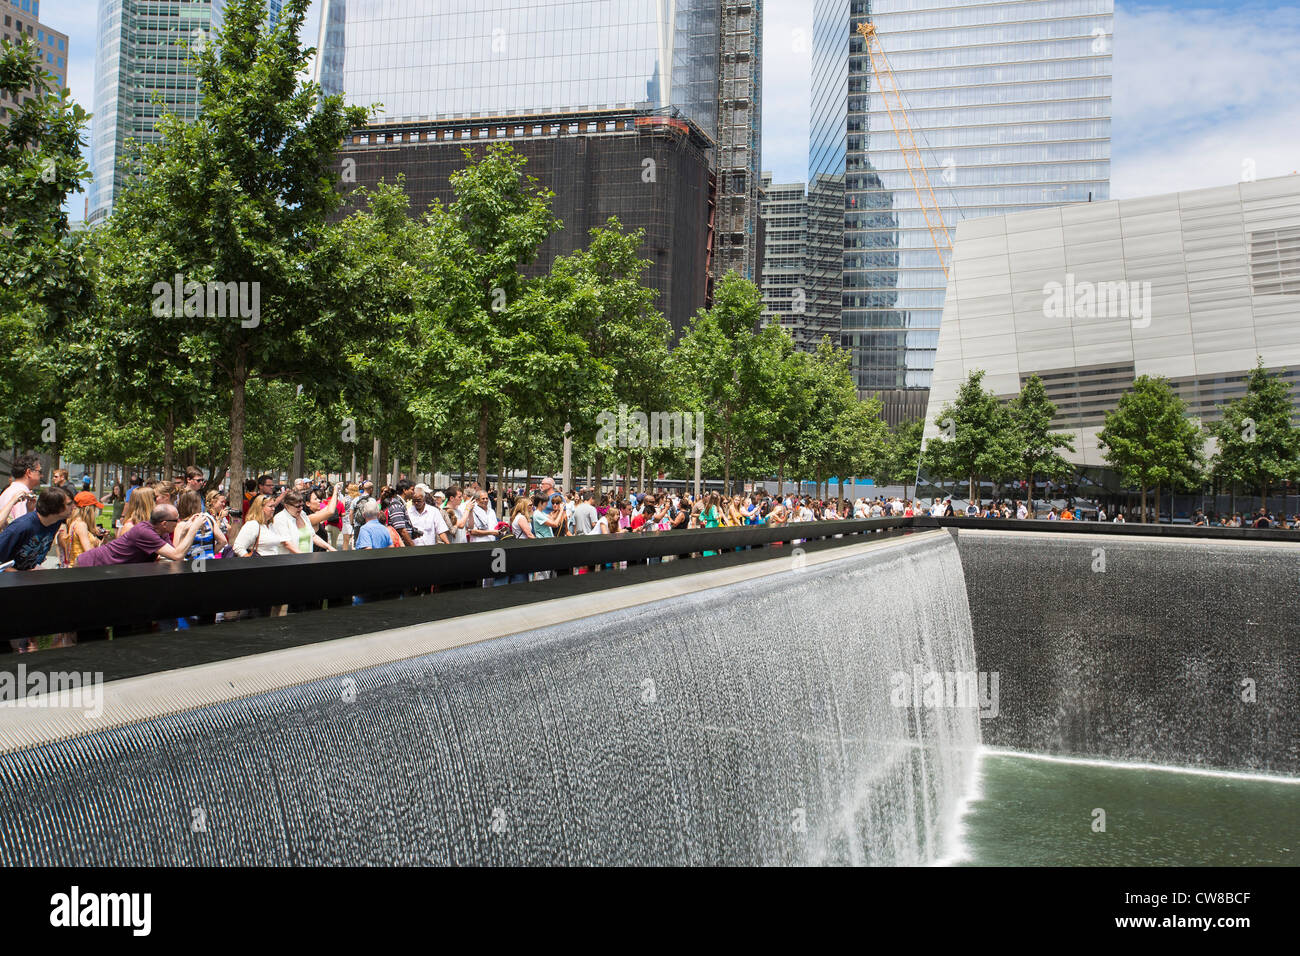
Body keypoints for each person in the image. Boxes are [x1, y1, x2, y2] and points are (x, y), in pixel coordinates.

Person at [77, 504, 200, 567]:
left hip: (108, 570)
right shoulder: (144, 532)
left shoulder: (162, 532)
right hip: (90, 565)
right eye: (176, 520)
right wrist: (194, 529)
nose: (179, 522)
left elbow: (174, 552)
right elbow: (178, 555)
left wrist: (185, 531)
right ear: (164, 523)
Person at [0, 488, 73, 571]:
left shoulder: (56, 521)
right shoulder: (21, 527)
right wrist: (20, 575)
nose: (73, 507)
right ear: (56, 507)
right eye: (69, 504)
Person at [273, 490, 339, 555]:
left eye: (302, 505)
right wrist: (303, 557)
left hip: (306, 559)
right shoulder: (280, 518)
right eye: (298, 506)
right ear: (286, 506)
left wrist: (330, 548)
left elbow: (313, 536)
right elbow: (287, 543)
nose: (301, 508)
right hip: (291, 561)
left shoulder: (302, 514)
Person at [58, 493, 106, 567]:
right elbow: (89, 552)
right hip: (81, 569)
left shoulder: (74, 522)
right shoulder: (81, 525)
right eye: (94, 508)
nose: (95, 511)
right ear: (89, 509)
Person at [177, 489, 227, 562]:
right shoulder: (208, 519)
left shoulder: (182, 525)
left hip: (190, 567)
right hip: (208, 564)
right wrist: (210, 553)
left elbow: (177, 553)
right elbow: (223, 541)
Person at [0, 454, 43, 532]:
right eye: (39, 471)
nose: (42, 475)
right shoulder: (22, 495)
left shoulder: (9, 490)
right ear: (29, 472)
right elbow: (22, 527)